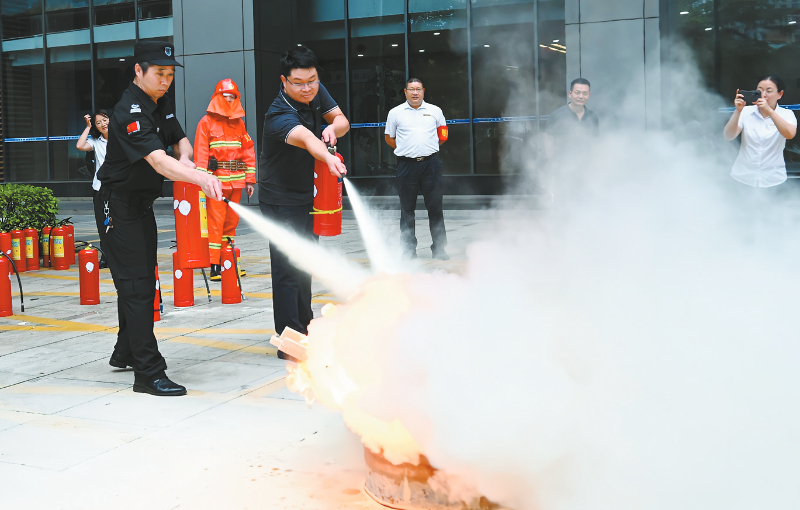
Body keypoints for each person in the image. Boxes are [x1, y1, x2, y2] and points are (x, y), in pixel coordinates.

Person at [97, 41, 223, 396]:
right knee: (137, 286)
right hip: (116, 205)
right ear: (138, 71)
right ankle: (148, 373)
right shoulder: (129, 111)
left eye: (170, 74)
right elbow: (157, 160)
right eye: (159, 73)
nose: (166, 80)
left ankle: (126, 351)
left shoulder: (159, 101)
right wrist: (199, 177)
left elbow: (179, 139)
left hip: (141, 205)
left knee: (140, 280)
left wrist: (186, 158)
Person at [259, 46, 349, 359]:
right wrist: (328, 157)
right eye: (298, 83)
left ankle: (305, 329)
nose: (307, 88)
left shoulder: (314, 90)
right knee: (287, 268)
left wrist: (332, 127)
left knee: (304, 263)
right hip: (279, 198)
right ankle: (290, 342)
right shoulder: (278, 113)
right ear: (284, 81)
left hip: (304, 194)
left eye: (312, 80)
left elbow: (342, 121)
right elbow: (308, 140)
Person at [194, 78, 256, 280]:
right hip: (216, 182)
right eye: (225, 97)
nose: (229, 100)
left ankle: (228, 261)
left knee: (231, 223)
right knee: (216, 223)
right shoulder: (206, 123)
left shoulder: (239, 124)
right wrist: (203, 179)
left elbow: (248, 151)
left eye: (232, 97)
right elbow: (201, 153)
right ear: (217, 97)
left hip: (236, 182)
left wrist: (249, 179)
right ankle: (215, 265)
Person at [384, 78, 449, 260]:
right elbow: (389, 137)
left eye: (418, 89)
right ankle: (408, 251)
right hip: (406, 166)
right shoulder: (395, 113)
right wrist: (405, 149)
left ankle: (439, 249)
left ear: (423, 91)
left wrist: (428, 148)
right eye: (411, 89)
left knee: (435, 209)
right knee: (407, 210)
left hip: (431, 165)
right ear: (405, 92)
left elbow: (443, 135)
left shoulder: (435, 111)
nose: (415, 93)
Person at [723, 75, 797, 188]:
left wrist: (769, 111)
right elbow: (728, 136)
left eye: (769, 91)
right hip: (743, 177)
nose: (764, 94)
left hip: (773, 179)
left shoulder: (786, 114)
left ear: (780, 94)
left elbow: (789, 134)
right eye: (760, 90)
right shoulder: (746, 112)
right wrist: (738, 111)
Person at [76, 110, 110, 257]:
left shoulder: (120, 139)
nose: (103, 124)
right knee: (102, 224)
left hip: (117, 188)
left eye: (105, 120)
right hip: (100, 188)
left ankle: (118, 256)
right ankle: (106, 256)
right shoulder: (96, 141)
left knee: (118, 225)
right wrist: (88, 127)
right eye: (98, 123)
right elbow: (80, 145)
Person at [546, 77, 599, 144]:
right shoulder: (556, 115)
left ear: (589, 95)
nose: (581, 96)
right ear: (570, 94)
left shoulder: (593, 116)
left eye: (585, 93)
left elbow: (595, 141)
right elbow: (548, 142)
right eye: (577, 93)